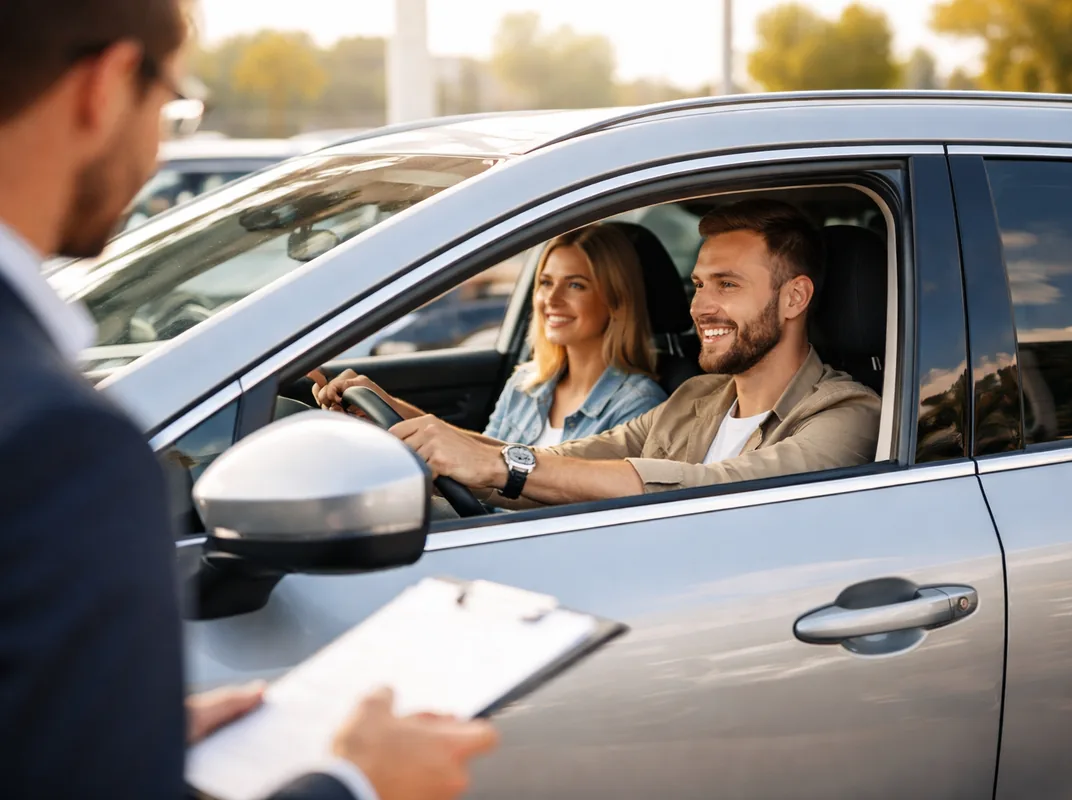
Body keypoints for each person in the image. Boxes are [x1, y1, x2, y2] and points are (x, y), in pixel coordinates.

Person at [0, 2, 495, 799]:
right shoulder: (59, 442)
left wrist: (119, 738)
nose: (163, 145)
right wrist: (357, 782)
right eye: (172, 104)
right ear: (107, 84)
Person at [379, 199, 882, 510]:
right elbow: (560, 461)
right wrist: (418, 431)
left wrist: (498, 466)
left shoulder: (848, 415)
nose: (700, 306)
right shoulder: (696, 397)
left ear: (795, 297)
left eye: (727, 285)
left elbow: (708, 487)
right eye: (700, 284)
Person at [314, 223, 667, 447]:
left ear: (617, 300)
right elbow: (485, 456)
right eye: (545, 283)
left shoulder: (638, 404)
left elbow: (533, 481)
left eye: (576, 285)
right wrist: (383, 406)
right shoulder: (527, 384)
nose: (551, 300)